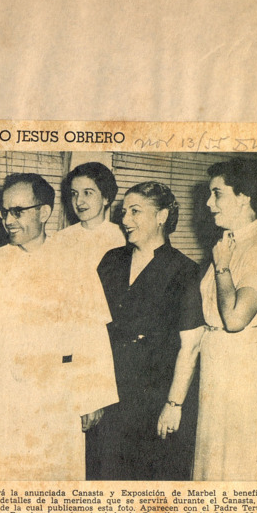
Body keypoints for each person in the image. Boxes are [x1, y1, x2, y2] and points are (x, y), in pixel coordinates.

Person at [0, 173, 118, 482]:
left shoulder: (75, 263)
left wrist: (93, 397)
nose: (8, 220)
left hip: (55, 395)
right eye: (4, 212)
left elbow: (92, 334)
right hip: (4, 395)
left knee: (52, 478)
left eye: (18, 211)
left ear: (44, 212)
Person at [95, 182, 204, 480]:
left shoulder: (185, 271)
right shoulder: (111, 261)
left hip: (155, 397)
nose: (125, 220)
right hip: (110, 392)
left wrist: (173, 405)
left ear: (161, 216)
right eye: (123, 212)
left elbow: (191, 346)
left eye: (135, 211)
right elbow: (91, 328)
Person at [193, 158, 257, 481]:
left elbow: (234, 319)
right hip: (221, 367)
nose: (209, 203)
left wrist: (222, 268)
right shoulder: (229, 243)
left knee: (242, 468)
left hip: (247, 370)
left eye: (217, 193)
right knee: (215, 466)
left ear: (244, 197)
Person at [54, 161, 126, 477]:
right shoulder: (60, 240)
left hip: (111, 345)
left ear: (107, 197)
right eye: (74, 194)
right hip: (71, 344)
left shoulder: (121, 238)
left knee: (105, 449)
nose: (80, 201)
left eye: (88, 193)